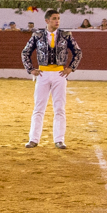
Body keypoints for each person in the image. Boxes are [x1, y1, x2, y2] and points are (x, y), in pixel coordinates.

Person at [21, 9, 81, 149]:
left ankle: (59, 140)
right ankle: (33, 139)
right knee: (39, 108)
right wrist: (31, 69)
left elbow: (77, 52)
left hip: (60, 74)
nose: (57, 21)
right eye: (54, 18)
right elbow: (25, 52)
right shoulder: (37, 35)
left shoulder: (66, 35)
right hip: (43, 74)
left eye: (58, 18)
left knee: (59, 108)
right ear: (47, 20)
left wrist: (71, 68)